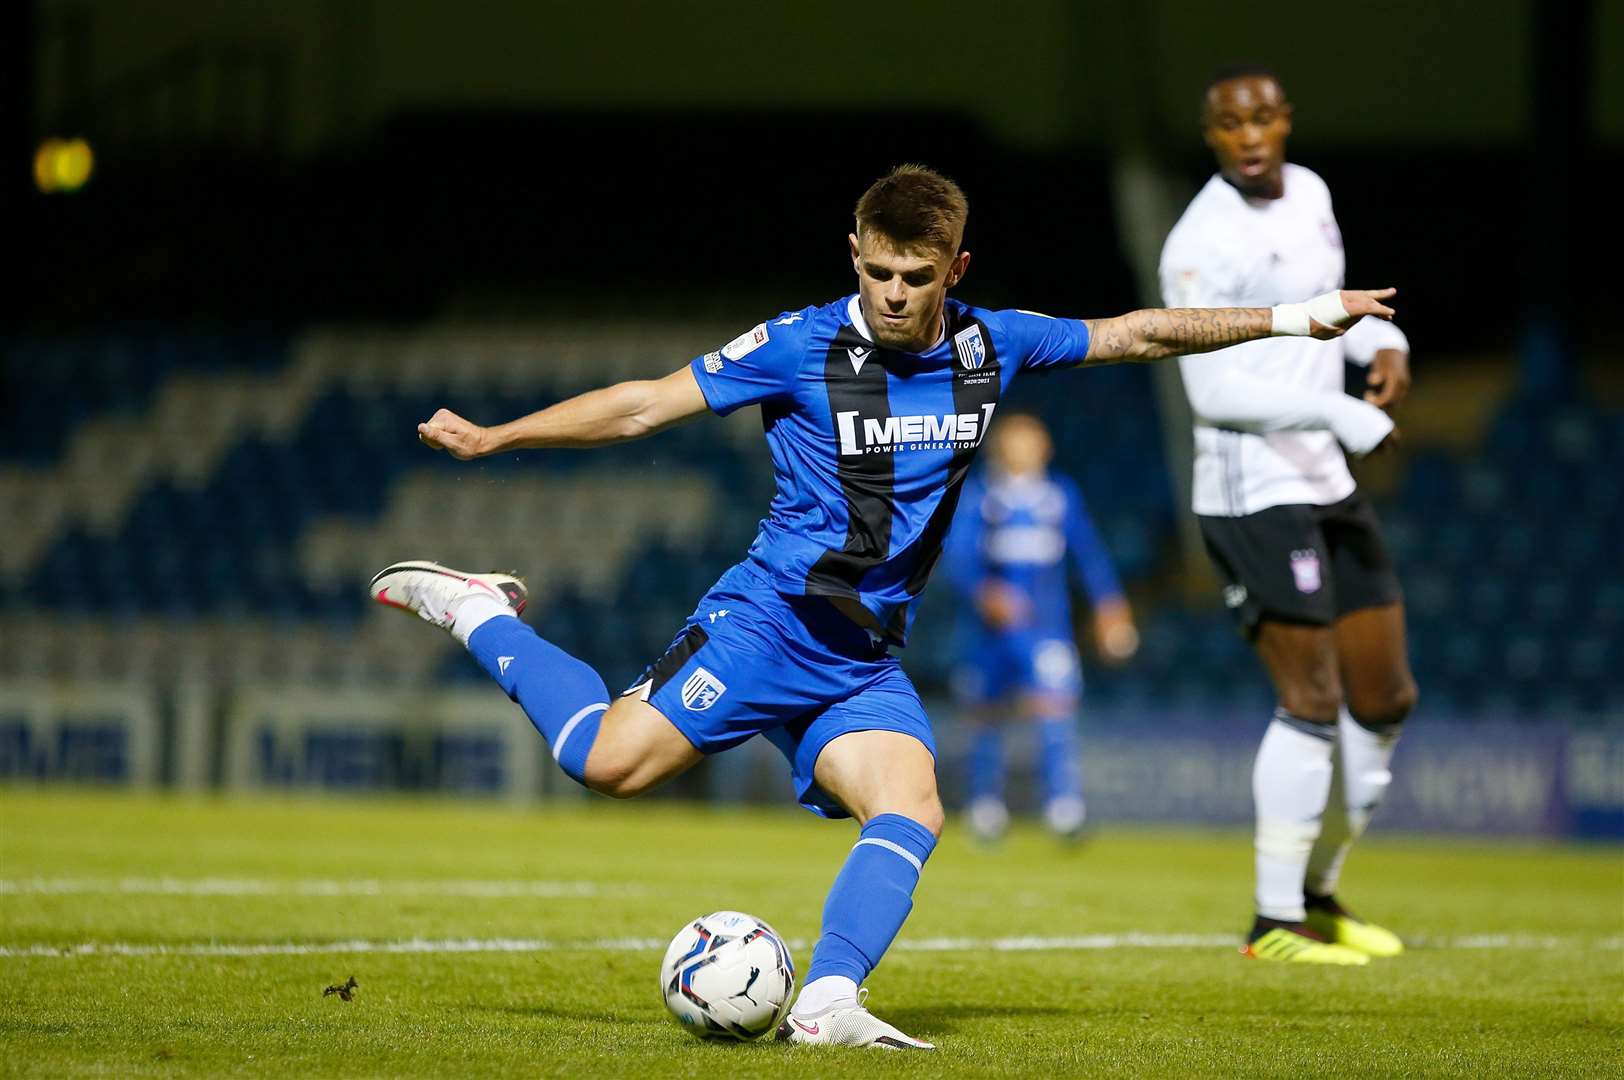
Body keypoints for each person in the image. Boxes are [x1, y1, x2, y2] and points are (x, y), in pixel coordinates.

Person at [374, 163, 1398, 1046]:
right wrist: (498, 438)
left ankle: (824, 1000)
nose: (893, 295)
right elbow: (645, 401)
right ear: (853, 252)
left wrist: (1296, 317)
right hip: (768, 624)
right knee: (605, 764)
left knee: (911, 806)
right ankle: (482, 613)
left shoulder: (993, 345)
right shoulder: (798, 344)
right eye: (875, 272)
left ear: (954, 268)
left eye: (916, 277)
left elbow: (1136, 334)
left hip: (860, 659)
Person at [1158, 66, 1418, 966]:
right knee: (1310, 698)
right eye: (1233, 123)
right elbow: (1213, 386)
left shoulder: (1309, 191)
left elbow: (1331, 306)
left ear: (1287, 120)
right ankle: (1274, 922)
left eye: (1266, 116)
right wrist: (1337, 412)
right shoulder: (1199, 240)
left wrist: (1384, 343)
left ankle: (1320, 893)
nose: (1253, 133)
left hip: (1323, 472)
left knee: (1384, 696)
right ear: (1213, 136)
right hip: (1250, 485)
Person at [943, 412, 1137, 841]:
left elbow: (1089, 554)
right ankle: (985, 804)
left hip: (1048, 629)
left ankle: (1064, 806)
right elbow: (957, 558)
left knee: (1055, 710)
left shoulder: (1060, 496)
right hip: (988, 634)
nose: (1024, 449)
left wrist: (1109, 604)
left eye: (1032, 441)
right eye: (1016, 441)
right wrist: (984, 592)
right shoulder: (981, 497)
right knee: (986, 715)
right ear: (999, 447)